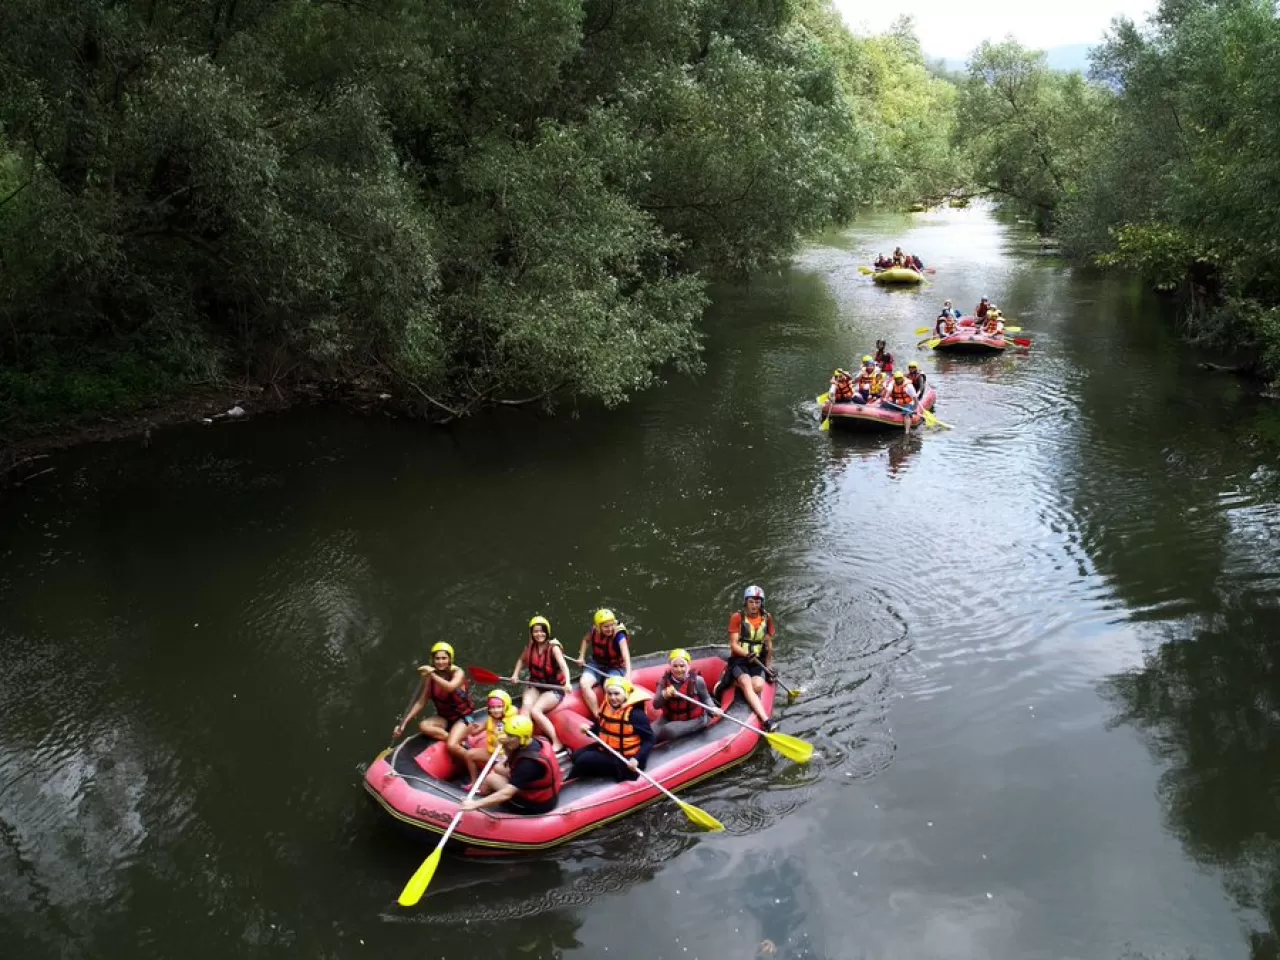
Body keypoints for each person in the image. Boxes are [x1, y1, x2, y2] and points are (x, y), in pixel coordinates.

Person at [458, 715, 563, 815]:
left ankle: (481, 802)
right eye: (506, 733)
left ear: (521, 738)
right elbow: (511, 760)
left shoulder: (528, 765)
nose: (506, 738)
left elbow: (507, 794)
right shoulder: (534, 741)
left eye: (510, 736)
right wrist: (505, 746)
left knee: (491, 779)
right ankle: (484, 795)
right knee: (497, 768)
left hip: (535, 804)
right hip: (534, 786)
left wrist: (474, 805)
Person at [569, 677, 655, 781]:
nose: (613, 698)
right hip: (609, 749)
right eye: (609, 694)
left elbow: (650, 740)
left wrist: (637, 759)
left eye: (617, 694)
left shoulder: (635, 714)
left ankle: (569, 780)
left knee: (584, 759)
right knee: (576, 756)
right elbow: (599, 728)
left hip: (627, 759)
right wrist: (588, 730)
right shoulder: (607, 706)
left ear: (625, 694)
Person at [714, 585, 775, 731]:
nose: (754, 605)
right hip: (739, 659)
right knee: (746, 682)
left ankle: (731, 682)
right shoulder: (737, 617)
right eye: (751, 602)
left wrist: (768, 667)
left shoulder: (767, 618)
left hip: (757, 660)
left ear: (762, 603)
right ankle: (767, 721)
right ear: (746, 602)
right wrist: (747, 654)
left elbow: (769, 644)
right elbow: (734, 645)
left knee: (758, 686)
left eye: (758, 602)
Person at [392, 641, 475, 746]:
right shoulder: (430, 678)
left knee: (451, 746)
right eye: (437, 658)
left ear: (450, 659)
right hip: (445, 718)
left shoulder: (458, 673)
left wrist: (431, 673)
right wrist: (403, 724)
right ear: (433, 660)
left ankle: (456, 741)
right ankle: (454, 740)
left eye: (444, 658)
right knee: (423, 725)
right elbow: (421, 702)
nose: (440, 662)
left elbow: (450, 687)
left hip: (463, 718)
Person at [512, 615, 572, 751]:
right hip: (536, 683)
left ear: (547, 632)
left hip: (554, 687)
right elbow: (521, 660)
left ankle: (557, 741)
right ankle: (524, 742)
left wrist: (568, 682)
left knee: (536, 711)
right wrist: (515, 674)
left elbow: (564, 666)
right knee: (525, 708)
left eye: (542, 631)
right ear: (531, 633)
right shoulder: (530, 647)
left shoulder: (553, 648)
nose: (539, 634)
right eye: (535, 631)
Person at [651, 649, 716, 743]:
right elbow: (656, 705)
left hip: (695, 719)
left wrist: (713, 708)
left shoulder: (698, 681)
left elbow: (706, 698)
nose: (679, 670)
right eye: (675, 666)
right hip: (669, 717)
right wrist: (664, 695)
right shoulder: (663, 682)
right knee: (650, 733)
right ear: (670, 666)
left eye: (682, 666)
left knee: (669, 730)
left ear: (688, 665)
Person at [576, 608, 631, 719]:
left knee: (609, 687)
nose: (610, 629)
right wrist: (581, 656)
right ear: (598, 627)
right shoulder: (593, 631)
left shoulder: (619, 635)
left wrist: (628, 674)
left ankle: (615, 715)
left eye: (611, 625)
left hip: (615, 666)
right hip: (597, 663)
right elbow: (586, 640)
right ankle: (598, 715)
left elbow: (626, 655)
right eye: (606, 627)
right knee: (584, 683)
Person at [459, 689, 518, 784]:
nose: (495, 710)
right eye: (492, 707)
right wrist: (468, 725)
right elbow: (475, 733)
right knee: (469, 754)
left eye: (499, 707)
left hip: (505, 757)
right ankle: (473, 782)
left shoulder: (513, 721)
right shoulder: (490, 720)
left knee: (490, 779)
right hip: (492, 752)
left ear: (505, 706)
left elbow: (515, 743)